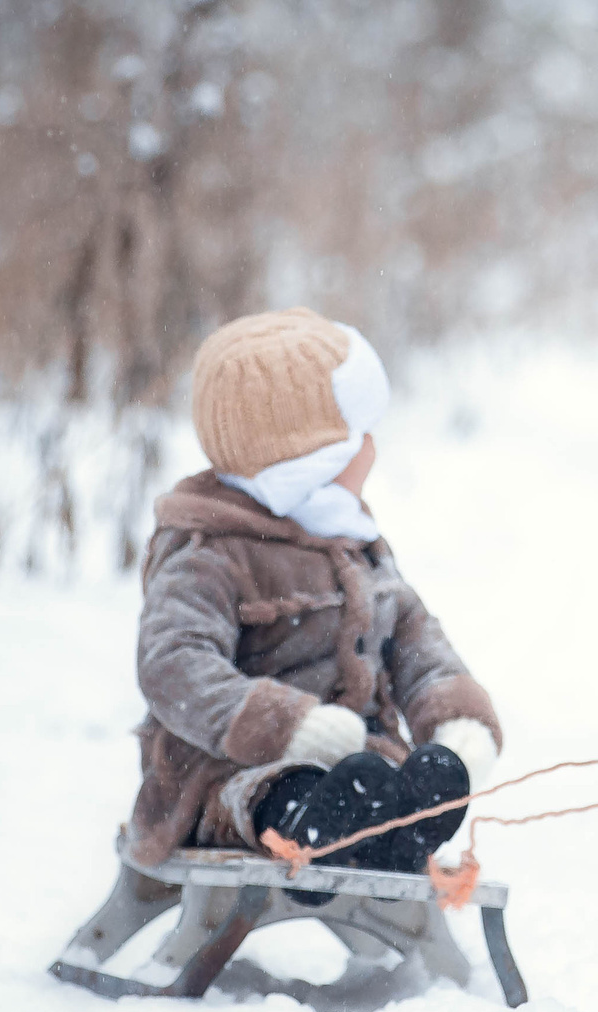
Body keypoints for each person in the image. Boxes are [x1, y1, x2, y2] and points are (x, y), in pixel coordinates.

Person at [124, 308, 501, 883]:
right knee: (283, 790)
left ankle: (398, 825)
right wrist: (287, 727)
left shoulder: (353, 537)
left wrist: (454, 718)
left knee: (392, 780)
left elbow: (415, 637)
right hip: (226, 775)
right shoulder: (212, 550)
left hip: (362, 766)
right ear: (314, 460)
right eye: (361, 435)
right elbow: (173, 665)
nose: (373, 446)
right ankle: (311, 830)